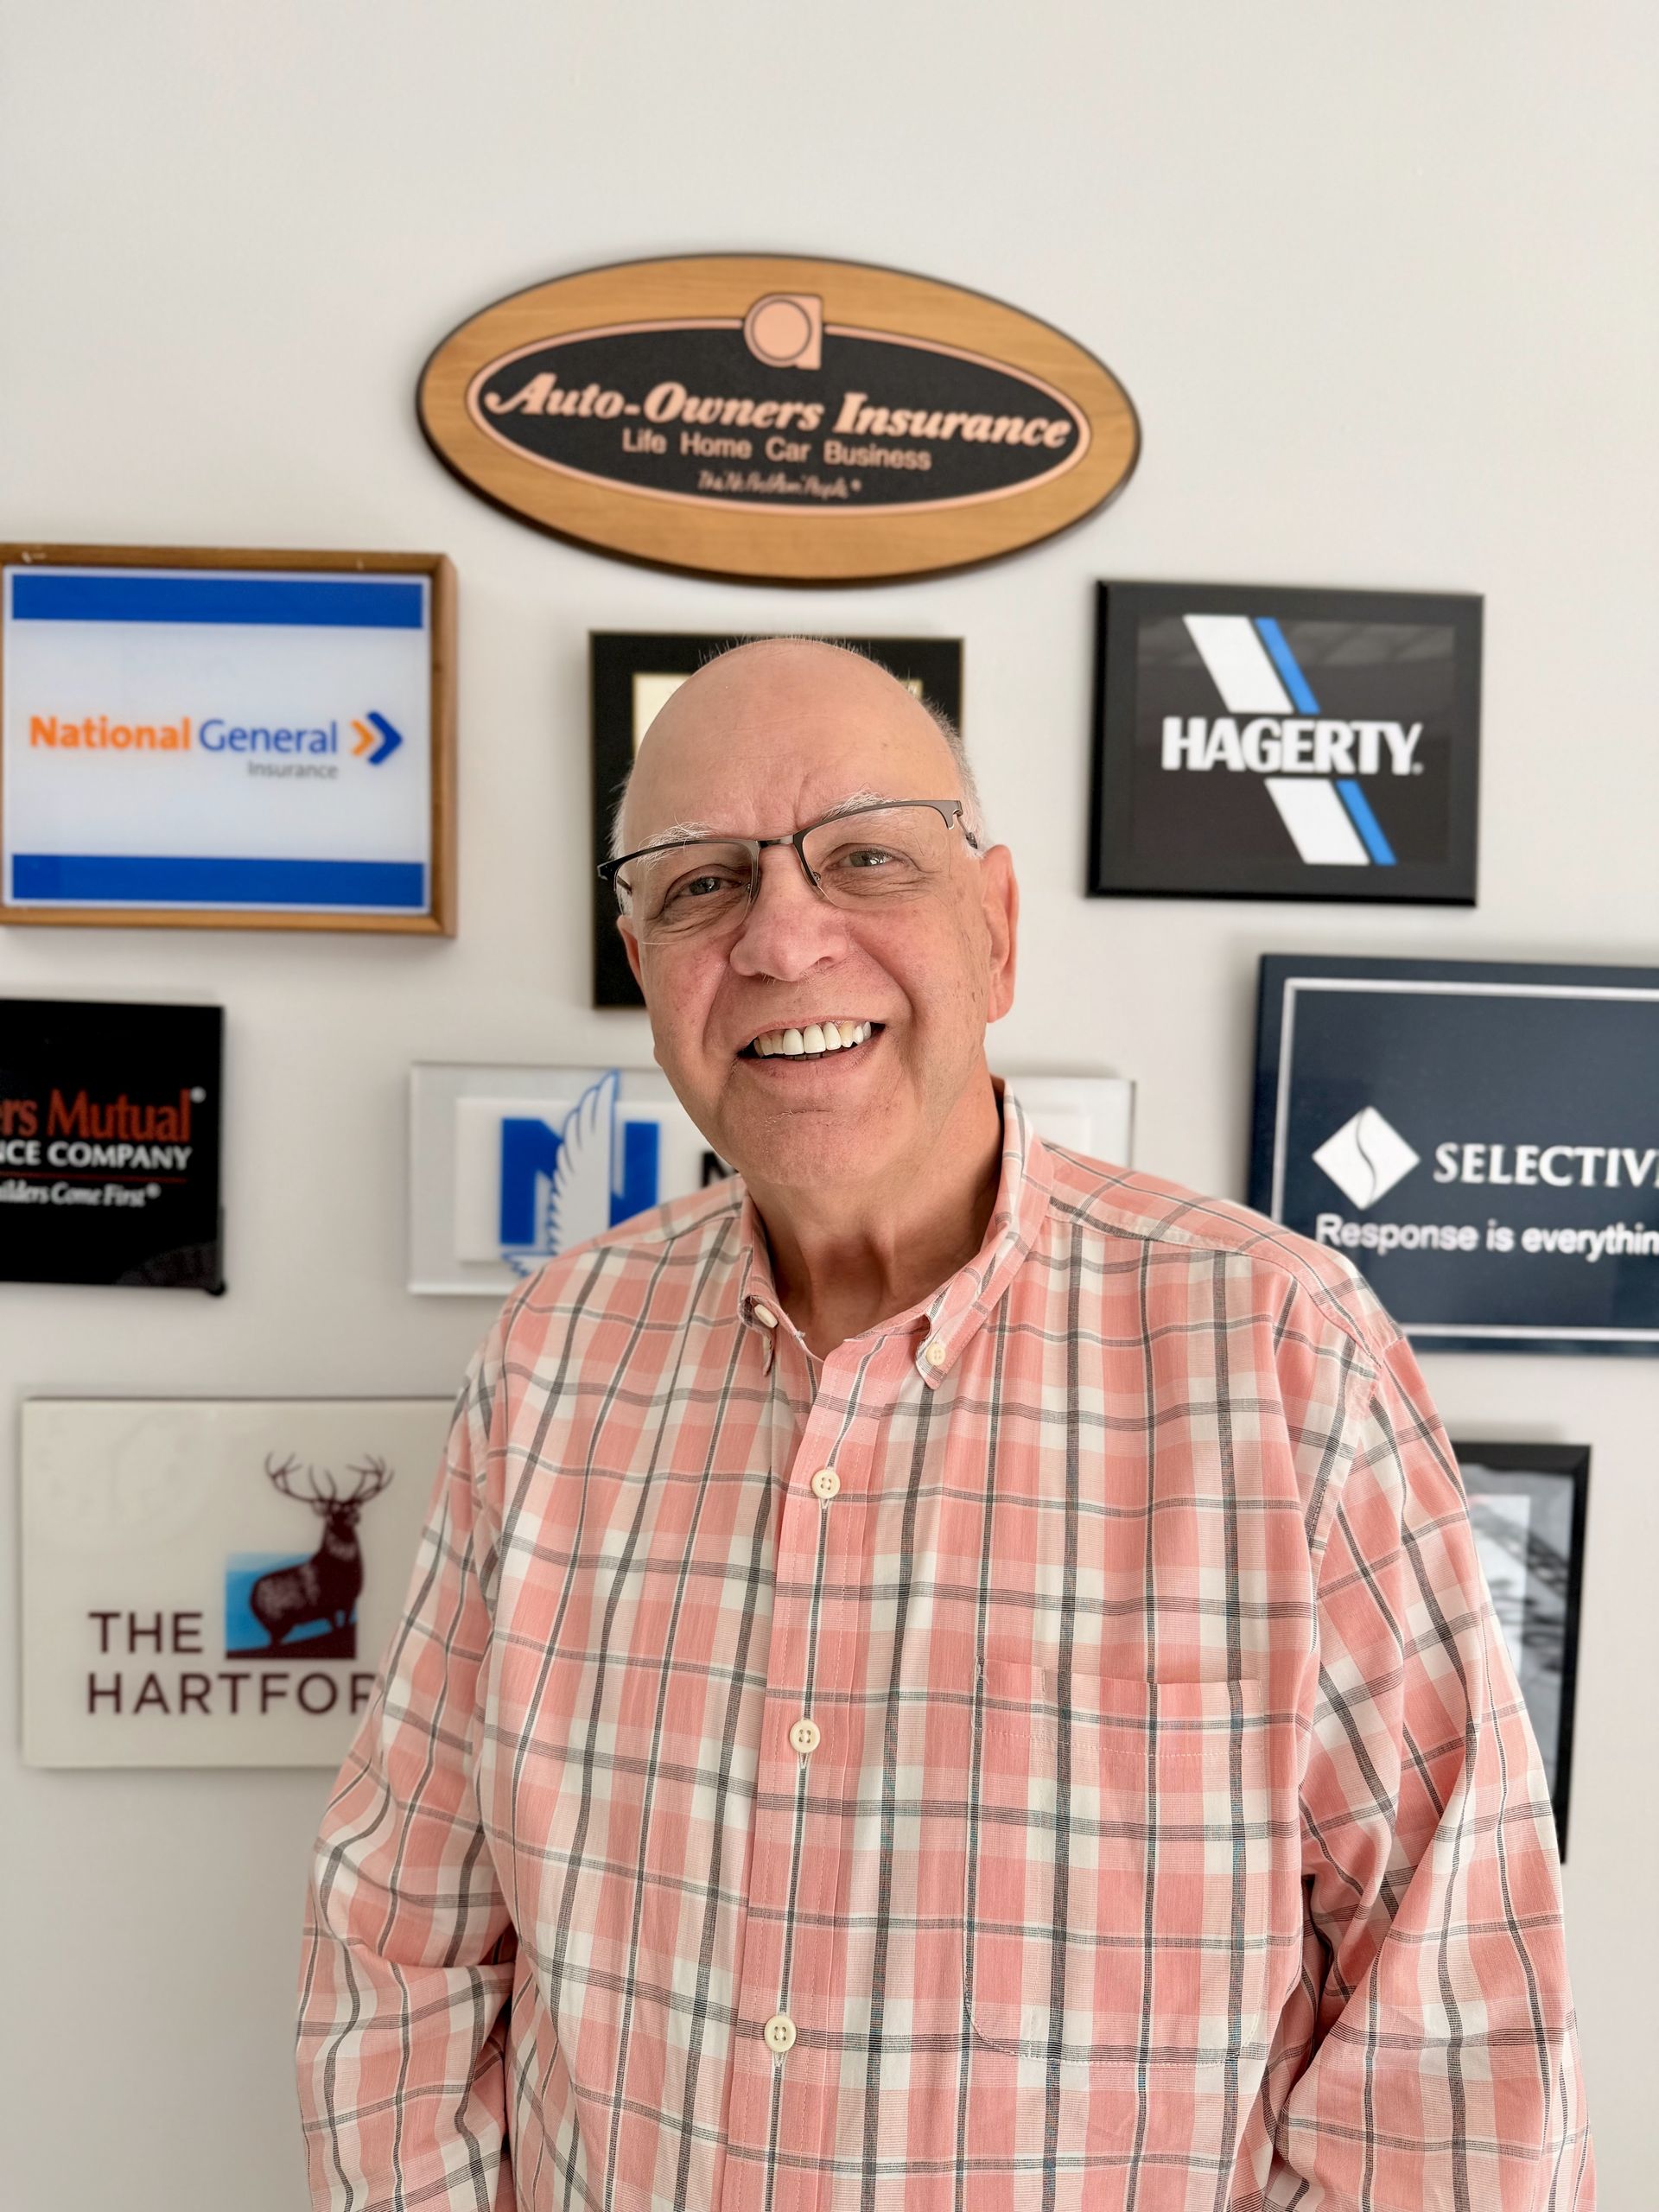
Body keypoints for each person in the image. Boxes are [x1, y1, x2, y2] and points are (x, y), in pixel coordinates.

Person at [297, 639, 1592, 2209]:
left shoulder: (1279, 1355)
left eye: (865, 858)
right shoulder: (553, 1357)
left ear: (995, 929)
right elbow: (403, 1933)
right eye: (702, 883)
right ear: (643, 966)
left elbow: (1453, 2037)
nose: (783, 937)